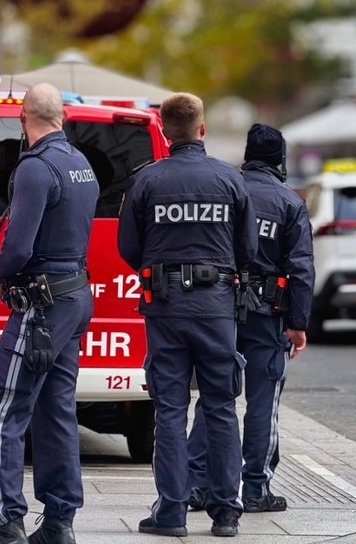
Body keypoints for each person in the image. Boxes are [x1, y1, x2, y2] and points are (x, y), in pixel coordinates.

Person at [117, 92, 257, 538]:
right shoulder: (230, 180)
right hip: (217, 308)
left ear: (162, 130)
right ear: (202, 129)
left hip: (166, 306)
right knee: (220, 408)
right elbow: (248, 249)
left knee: (170, 410)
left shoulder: (146, 181)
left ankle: (172, 513)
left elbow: (128, 248)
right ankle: (226, 512)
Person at [0, 83, 99, 544]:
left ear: (24, 119)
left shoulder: (35, 168)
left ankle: (7, 523)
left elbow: (19, 244)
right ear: (63, 117)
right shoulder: (82, 164)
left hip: (40, 307)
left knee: (2, 409)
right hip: (74, 298)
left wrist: (0, 276)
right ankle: (60, 522)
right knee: (57, 409)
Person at [187, 124, 315, 514]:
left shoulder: (227, 189)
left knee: (215, 396)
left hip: (220, 307)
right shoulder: (289, 202)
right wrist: (298, 322)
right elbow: (301, 269)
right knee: (262, 402)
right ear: (281, 159)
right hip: (267, 314)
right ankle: (255, 488)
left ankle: (197, 484)